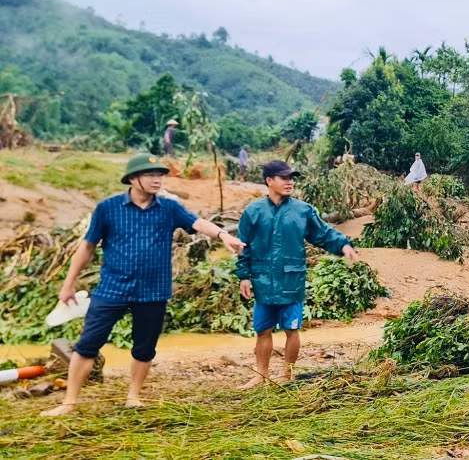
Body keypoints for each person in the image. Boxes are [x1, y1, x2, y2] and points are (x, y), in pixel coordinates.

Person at [40, 154, 245, 417]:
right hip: (112, 289)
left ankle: (133, 396)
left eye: (160, 174)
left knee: (144, 347)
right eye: (150, 174)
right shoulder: (108, 208)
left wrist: (223, 234)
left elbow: (196, 223)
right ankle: (69, 403)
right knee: (87, 344)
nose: (157, 179)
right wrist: (68, 284)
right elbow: (88, 246)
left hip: (153, 291)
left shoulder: (169, 208)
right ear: (133, 179)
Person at [236, 160, 360, 389]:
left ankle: (287, 373)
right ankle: (260, 375)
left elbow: (323, 234)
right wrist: (244, 276)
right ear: (269, 181)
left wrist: (343, 245)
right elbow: (244, 246)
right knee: (262, 329)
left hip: (291, 280)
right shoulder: (253, 211)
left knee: (291, 329)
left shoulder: (303, 210)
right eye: (284, 178)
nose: (290, 182)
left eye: (292, 178)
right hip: (262, 280)